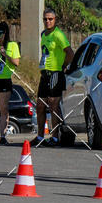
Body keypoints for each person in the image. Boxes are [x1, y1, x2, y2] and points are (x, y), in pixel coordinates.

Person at [32, 8, 73, 148]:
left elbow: (70, 53)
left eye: (50, 19)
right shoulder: (43, 34)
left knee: (53, 105)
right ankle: (40, 136)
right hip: (45, 74)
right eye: (45, 19)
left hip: (55, 74)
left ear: (55, 20)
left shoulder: (58, 35)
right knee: (40, 105)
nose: (47, 21)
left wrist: (63, 66)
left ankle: (55, 138)